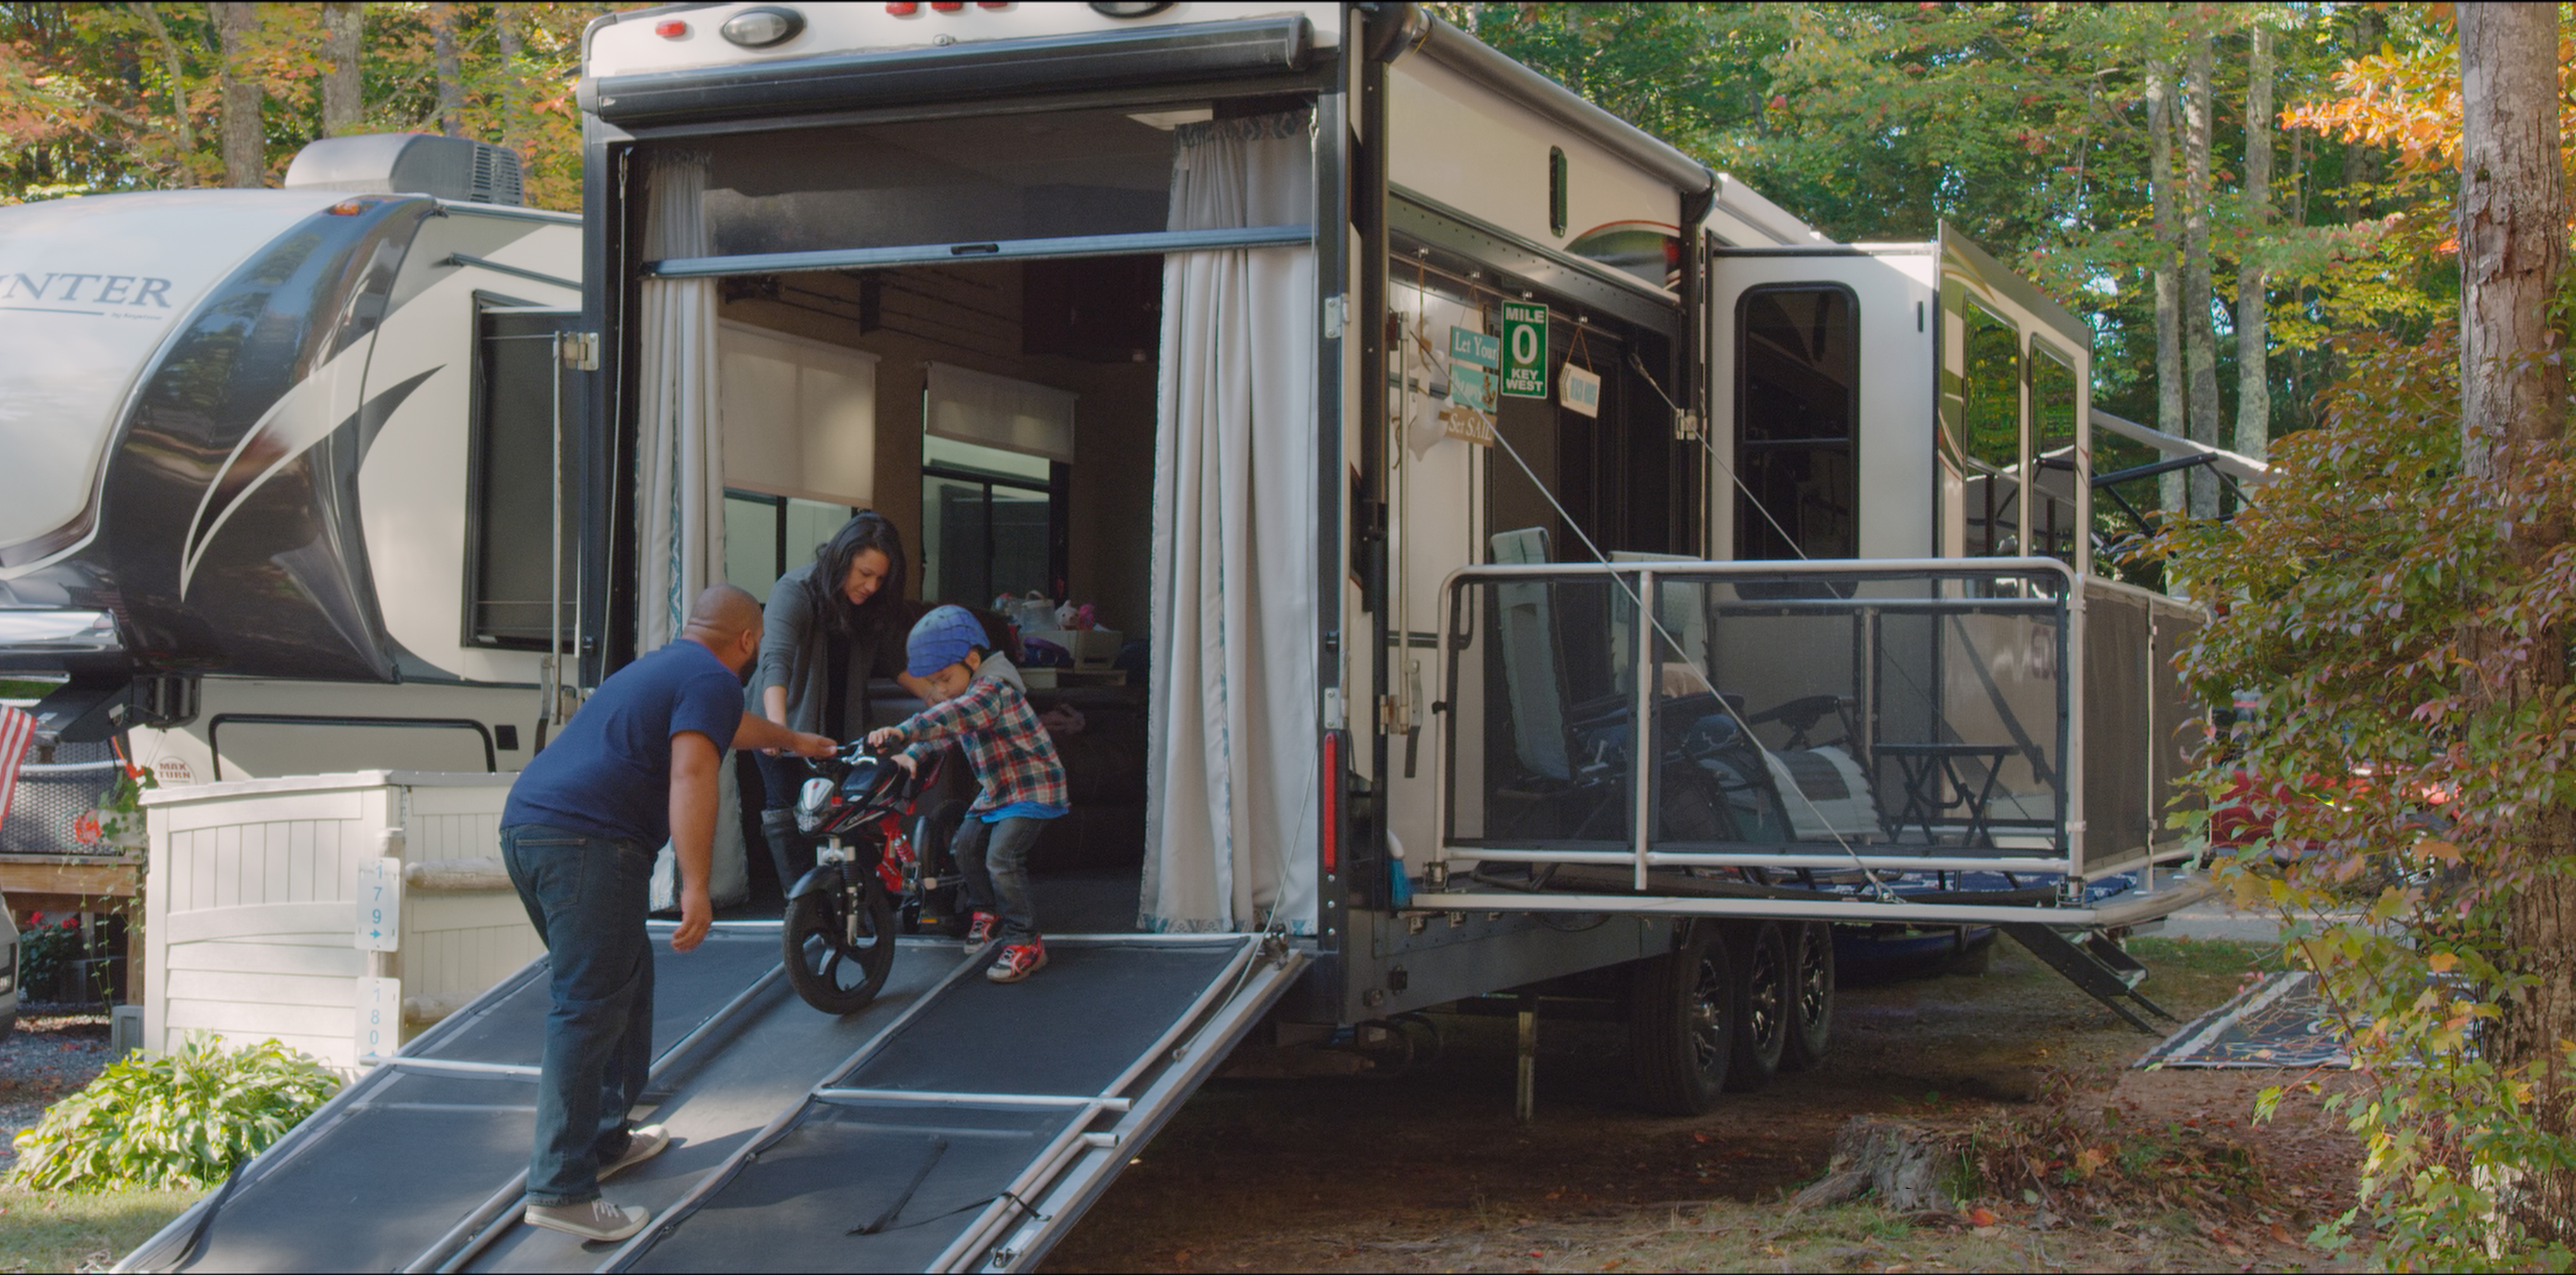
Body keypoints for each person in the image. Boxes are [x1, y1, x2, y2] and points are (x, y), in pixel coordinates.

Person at [499, 584, 836, 1242]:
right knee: (589, 1005)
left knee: (622, 986)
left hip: (530, 829)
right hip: (589, 843)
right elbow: (693, 774)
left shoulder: (666, 668)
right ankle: (562, 1187)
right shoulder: (712, 679)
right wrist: (697, 885)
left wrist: (792, 738)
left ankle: (604, 1139)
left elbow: (729, 728)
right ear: (748, 641)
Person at [866, 605, 1068, 983]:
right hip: (998, 790)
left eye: (945, 679)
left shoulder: (992, 691)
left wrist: (905, 730)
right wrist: (912, 754)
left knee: (1001, 858)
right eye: (934, 683)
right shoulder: (969, 695)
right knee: (964, 846)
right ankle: (987, 912)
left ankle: (1025, 941)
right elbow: (947, 733)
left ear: (973, 660)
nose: (941, 690)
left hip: (1032, 788)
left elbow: (951, 716)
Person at [749, 513, 930, 895]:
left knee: (848, 813)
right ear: (841, 558)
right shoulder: (795, 590)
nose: (871, 586)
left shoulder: (873, 604)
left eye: (880, 579)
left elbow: (896, 663)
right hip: (783, 717)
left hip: (843, 723)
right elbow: (775, 661)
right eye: (864, 573)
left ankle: (853, 903)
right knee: (789, 813)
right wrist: (778, 729)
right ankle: (800, 905)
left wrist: (939, 698)